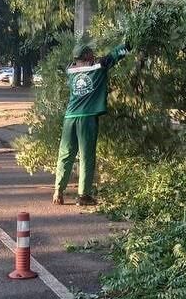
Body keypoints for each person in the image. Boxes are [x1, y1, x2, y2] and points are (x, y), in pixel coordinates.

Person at [53, 39, 130, 206]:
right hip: (87, 118)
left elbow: (83, 65)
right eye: (91, 53)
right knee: (86, 156)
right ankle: (83, 195)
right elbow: (115, 55)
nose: (93, 54)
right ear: (87, 55)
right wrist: (128, 45)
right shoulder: (99, 66)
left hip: (69, 117)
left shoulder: (71, 70)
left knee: (65, 155)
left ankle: (58, 191)